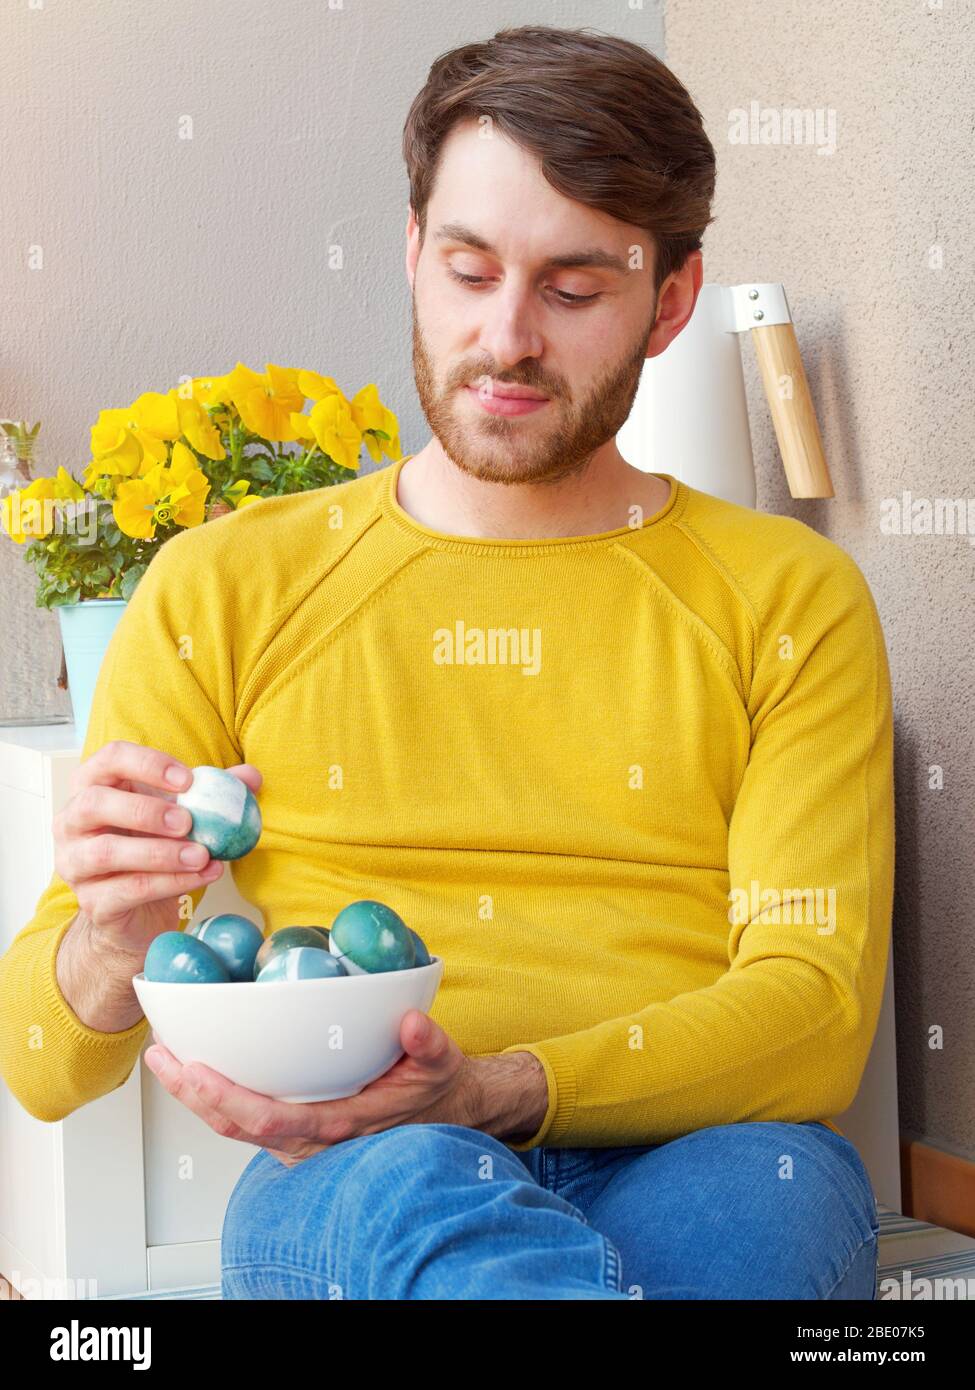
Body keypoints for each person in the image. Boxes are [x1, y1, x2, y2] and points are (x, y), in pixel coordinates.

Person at [0, 25, 891, 1300]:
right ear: (414, 253)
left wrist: (502, 1086)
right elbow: (39, 1060)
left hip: (713, 1146)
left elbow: (812, 1013)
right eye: (470, 271)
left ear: (673, 300)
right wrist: (109, 937)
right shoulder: (227, 584)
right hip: (363, 1156)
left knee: (773, 1221)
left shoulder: (789, 599)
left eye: (575, 290)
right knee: (417, 1190)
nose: (509, 338)